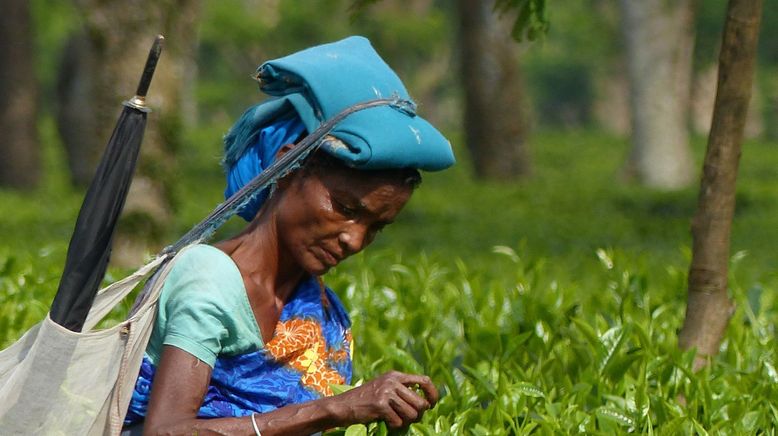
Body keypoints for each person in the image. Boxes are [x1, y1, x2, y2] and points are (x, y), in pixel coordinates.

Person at [122, 36, 455, 435]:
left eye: (376, 227)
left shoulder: (321, 310)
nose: (354, 240)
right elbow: (165, 430)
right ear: (288, 167)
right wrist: (337, 409)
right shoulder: (210, 277)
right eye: (346, 210)